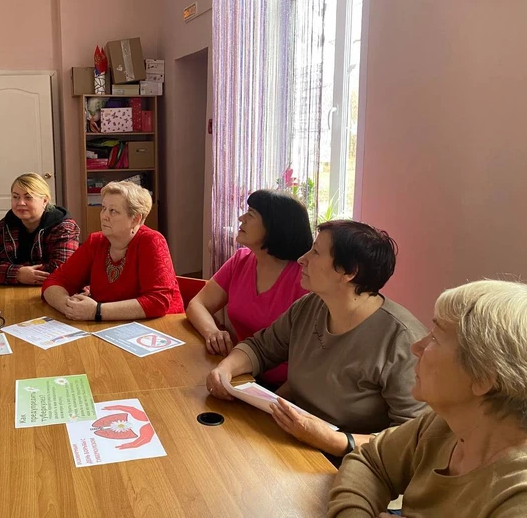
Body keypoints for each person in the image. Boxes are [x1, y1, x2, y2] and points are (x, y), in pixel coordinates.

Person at [206, 220, 428, 459]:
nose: (302, 259)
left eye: (316, 252)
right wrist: (225, 370)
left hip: (352, 460)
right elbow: (260, 348)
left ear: (349, 272)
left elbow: (413, 437)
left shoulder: (403, 340)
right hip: (292, 437)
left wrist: (332, 440)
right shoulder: (310, 306)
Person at [328, 280, 527, 517]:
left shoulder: (521, 497)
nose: (416, 347)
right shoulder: (442, 425)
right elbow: (370, 461)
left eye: (435, 338)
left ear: (483, 376)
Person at [186, 190, 312, 386]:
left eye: (251, 214)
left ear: (274, 227)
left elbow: (310, 361)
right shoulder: (241, 259)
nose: (241, 218)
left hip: (285, 388)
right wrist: (212, 332)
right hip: (241, 371)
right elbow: (197, 304)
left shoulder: (304, 279)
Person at [42, 181, 183, 321]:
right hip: (108, 326)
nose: (104, 216)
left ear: (135, 219)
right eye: (103, 208)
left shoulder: (152, 241)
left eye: (113, 211)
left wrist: (97, 311)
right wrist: (70, 307)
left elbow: (158, 302)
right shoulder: (95, 241)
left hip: (159, 326)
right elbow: (55, 281)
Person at [0, 172, 80, 285]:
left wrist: (9, 272)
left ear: (44, 201)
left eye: (28, 197)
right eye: (15, 197)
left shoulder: (64, 228)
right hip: (8, 291)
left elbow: (62, 270)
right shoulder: (1, 228)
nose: (20, 203)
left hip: (52, 290)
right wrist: (17, 273)